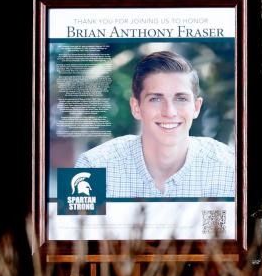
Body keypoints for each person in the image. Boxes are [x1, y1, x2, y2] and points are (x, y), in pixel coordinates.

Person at [76, 50, 235, 198]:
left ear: (196, 107)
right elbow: (67, 227)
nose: (169, 112)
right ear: (136, 107)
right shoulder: (91, 166)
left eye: (181, 99)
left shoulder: (230, 167)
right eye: (155, 99)